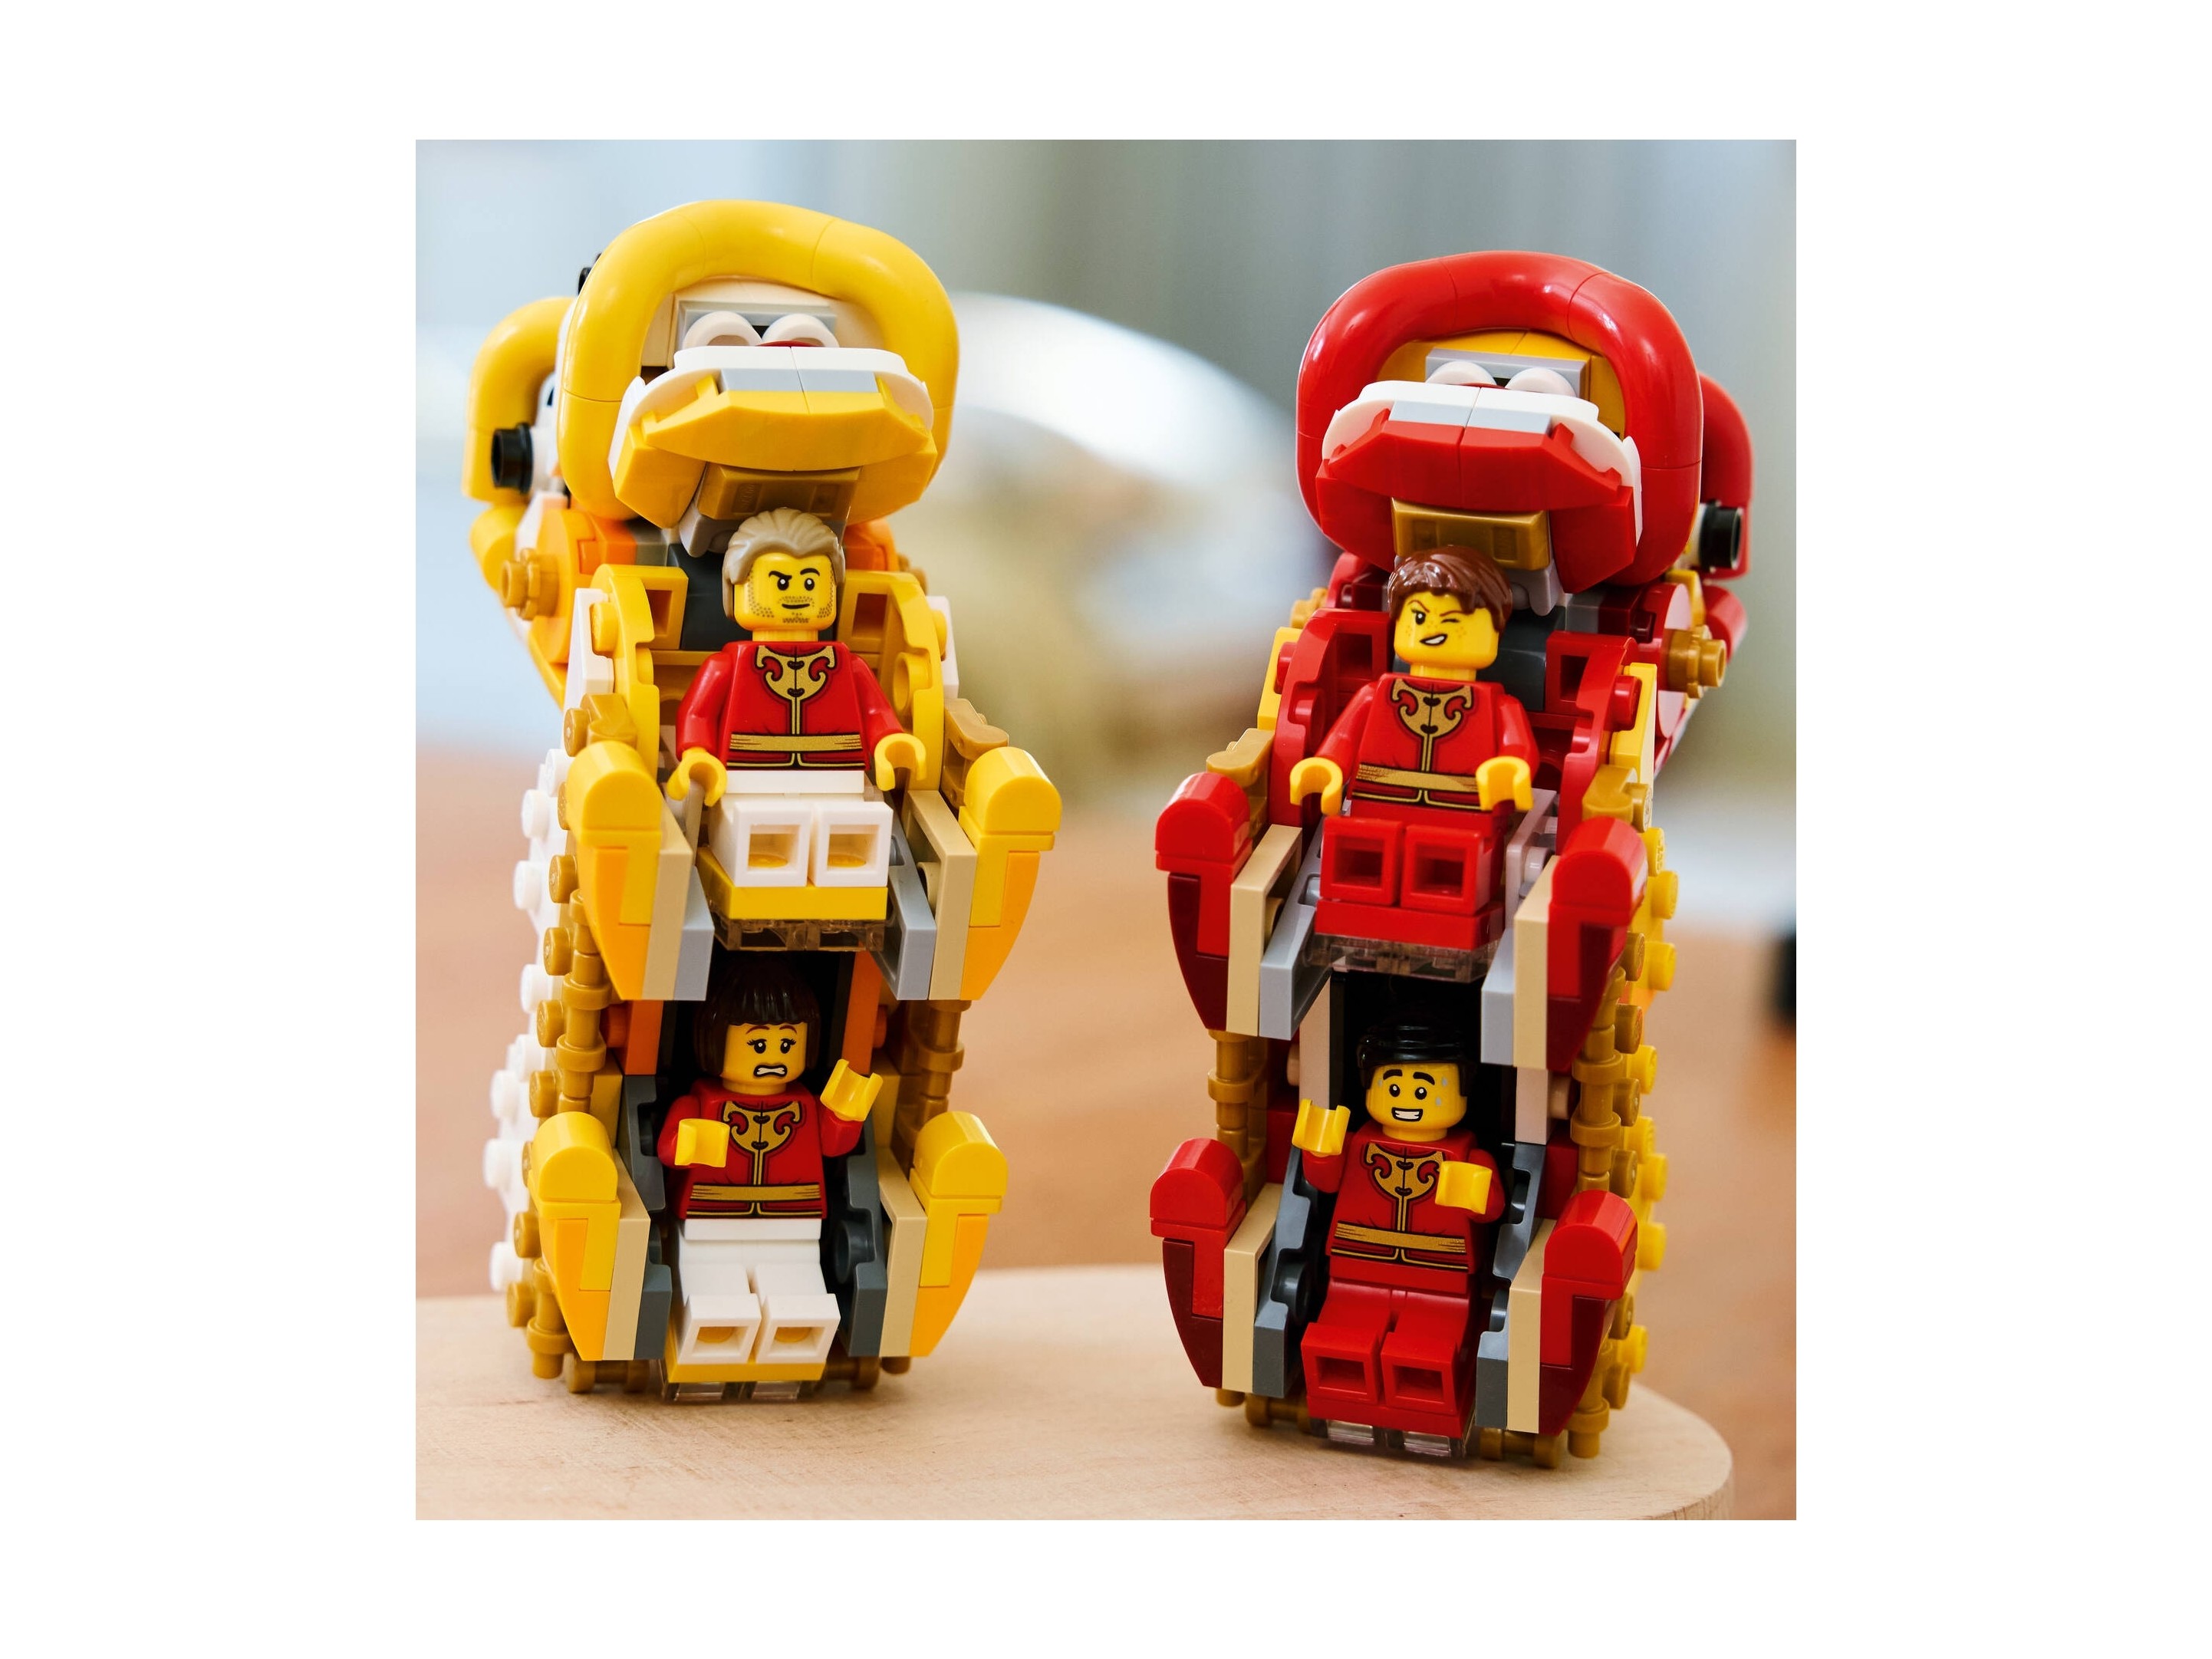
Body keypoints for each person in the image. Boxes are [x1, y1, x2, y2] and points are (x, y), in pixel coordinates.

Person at [667, 507, 925, 889]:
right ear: (736, 589)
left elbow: (874, 709)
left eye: (810, 582)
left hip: (839, 782)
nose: (797, 595)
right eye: (781, 582)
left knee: (850, 833)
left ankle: (847, 879)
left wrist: (889, 740)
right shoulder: (727, 665)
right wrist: (697, 755)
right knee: (752, 837)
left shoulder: (847, 664)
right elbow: (697, 713)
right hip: (747, 782)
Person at [1289, 546, 1536, 931]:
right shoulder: (1376, 695)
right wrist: (1327, 766)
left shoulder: (1499, 705)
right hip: (1376, 810)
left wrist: (1511, 767)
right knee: (1360, 857)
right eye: (1419, 616)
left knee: (1459, 872)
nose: (1433, 628)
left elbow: (1518, 747)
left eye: (1454, 620)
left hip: (1461, 819)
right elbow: (1345, 736)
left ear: (1495, 629)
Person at [655, 956, 883, 1365]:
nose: (774, 1056)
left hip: (793, 1224)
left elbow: (832, 1147)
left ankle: (793, 1349)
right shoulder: (699, 1102)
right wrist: (689, 1142)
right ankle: (713, 1343)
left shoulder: (807, 1103)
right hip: (710, 1224)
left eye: (787, 1044)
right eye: (758, 1044)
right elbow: (668, 1150)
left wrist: (845, 1115)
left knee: (796, 1293)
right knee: (714, 1294)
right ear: (714, 1040)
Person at [1292, 1021, 1504, 1435]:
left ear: (1462, 1091)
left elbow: (1492, 1208)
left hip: (1441, 1284)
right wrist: (1320, 1152)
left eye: (1423, 1091)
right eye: (1393, 1087)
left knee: (1428, 1351)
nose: (1407, 1100)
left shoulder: (1467, 1156)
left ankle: (1428, 1413)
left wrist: (1477, 1194)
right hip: (1355, 1273)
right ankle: (1339, 1400)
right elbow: (1325, 1181)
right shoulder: (1358, 1142)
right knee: (1341, 1340)